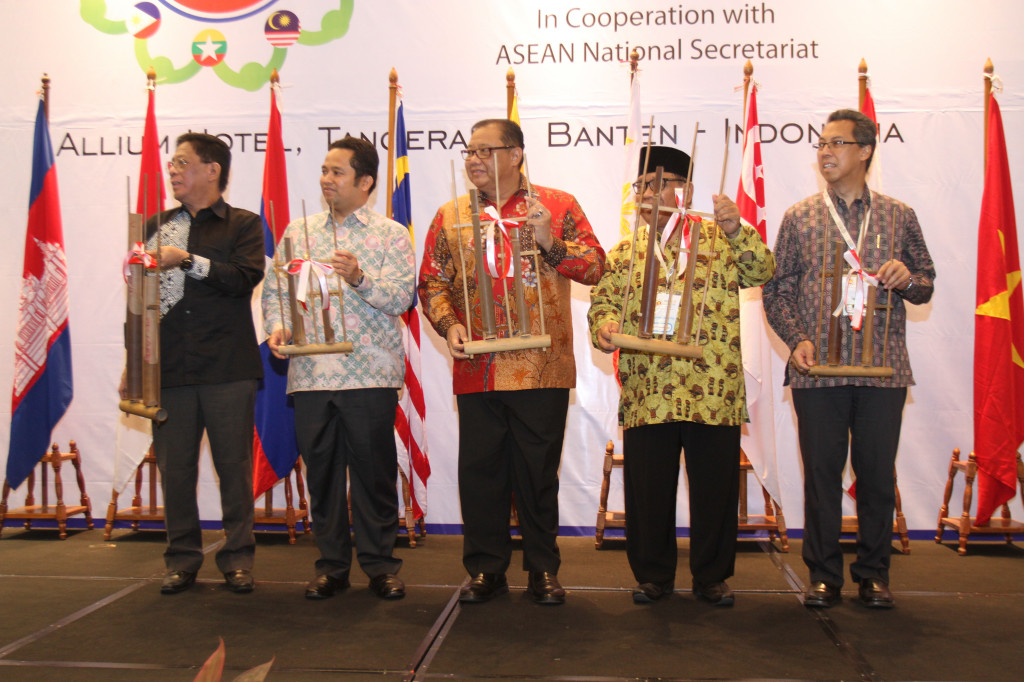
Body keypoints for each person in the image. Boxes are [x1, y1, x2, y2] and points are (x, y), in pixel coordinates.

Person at [418, 119, 604, 605]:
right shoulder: (451, 214)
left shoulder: (556, 206)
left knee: (537, 473)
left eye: (485, 150)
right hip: (476, 366)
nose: (473, 160)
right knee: (481, 473)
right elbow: (432, 282)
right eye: (469, 151)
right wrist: (447, 324)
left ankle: (543, 569)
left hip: (543, 364)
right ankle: (485, 569)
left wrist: (549, 242)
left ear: (516, 154)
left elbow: (596, 266)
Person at [763, 109, 936, 609]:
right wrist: (796, 340)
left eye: (837, 143)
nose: (825, 152)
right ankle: (823, 574)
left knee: (877, 474)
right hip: (817, 370)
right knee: (821, 473)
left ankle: (874, 574)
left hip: (883, 368)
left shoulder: (898, 215)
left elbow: (924, 285)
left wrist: (908, 278)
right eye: (820, 143)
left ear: (865, 150)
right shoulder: (800, 216)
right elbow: (777, 290)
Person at [589, 146, 775, 606]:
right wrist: (606, 328)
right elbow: (602, 306)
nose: (649, 194)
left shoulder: (719, 238)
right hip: (649, 386)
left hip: (711, 388)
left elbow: (762, 270)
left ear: (685, 191)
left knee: (714, 488)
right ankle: (653, 575)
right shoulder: (625, 251)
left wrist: (737, 227)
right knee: (648, 489)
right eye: (642, 186)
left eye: (660, 183)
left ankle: (711, 576)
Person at [263, 136, 415, 600]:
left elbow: (403, 297)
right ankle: (331, 566)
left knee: (373, 472)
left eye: (338, 172)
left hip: (370, 372)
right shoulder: (298, 231)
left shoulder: (392, 234)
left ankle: (380, 565)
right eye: (324, 171)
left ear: (365, 181)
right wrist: (277, 327)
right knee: (322, 472)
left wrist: (359, 277)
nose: (327, 179)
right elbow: (275, 292)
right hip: (310, 373)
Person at [125, 132, 264, 595]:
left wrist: (186, 260)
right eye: (171, 163)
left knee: (233, 467)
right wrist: (135, 362)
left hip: (227, 367)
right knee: (176, 469)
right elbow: (139, 301)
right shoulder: (154, 226)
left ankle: (238, 558)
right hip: (170, 370)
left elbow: (243, 278)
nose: (173, 170)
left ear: (212, 170)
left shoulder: (244, 224)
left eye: (183, 162)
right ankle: (182, 559)